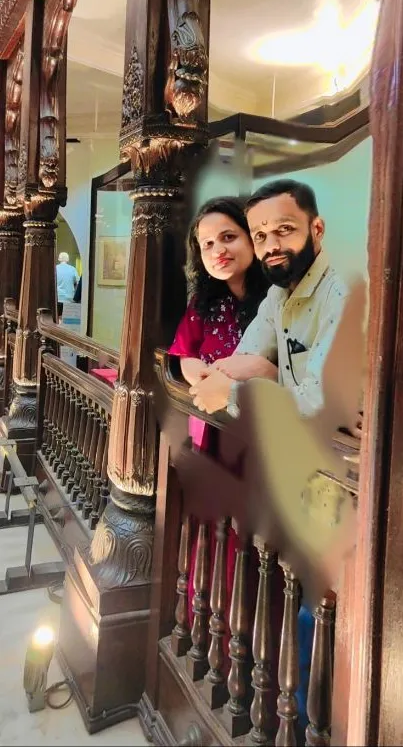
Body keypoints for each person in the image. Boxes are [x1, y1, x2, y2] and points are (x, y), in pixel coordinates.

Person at [188, 178, 362, 728]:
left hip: (347, 477)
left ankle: (322, 725)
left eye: (283, 230)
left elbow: (320, 402)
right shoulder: (278, 296)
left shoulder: (344, 294)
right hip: (299, 469)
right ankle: (293, 712)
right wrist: (233, 376)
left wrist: (239, 387)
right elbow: (243, 358)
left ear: (316, 229)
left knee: (322, 610)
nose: (270, 246)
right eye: (261, 235)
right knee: (289, 597)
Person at [169, 197, 283, 687]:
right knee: (210, 547)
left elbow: (289, 372)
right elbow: (177, 360)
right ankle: (208, 642)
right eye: (207, 243)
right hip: (213, 448)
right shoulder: (202, 306)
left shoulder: (280, 296)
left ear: (253, 239)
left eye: (229, 237)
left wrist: (237, 375)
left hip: (268, 450)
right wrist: (197, 368)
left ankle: (261, 665)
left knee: (261, 559)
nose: (218, 250)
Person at [56, 252, 79, 319]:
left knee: (58, 321)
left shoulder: (55, 268)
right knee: (67, 321)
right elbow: (78, 282)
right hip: (69, 299)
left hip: (58, 298)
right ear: (68, 259)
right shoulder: (73, 269)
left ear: (59, 259)